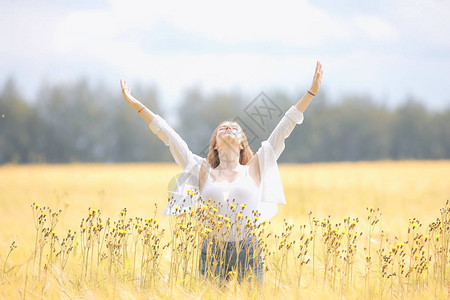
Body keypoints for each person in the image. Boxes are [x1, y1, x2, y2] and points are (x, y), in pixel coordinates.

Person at [120, 61, 323, 286]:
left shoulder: (255, 167)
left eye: (234, 128)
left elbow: (285, 127)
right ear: (215, 145)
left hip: (248, 250)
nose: (228, 128)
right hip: (212, 251)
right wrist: (137, 105)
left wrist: (311, 92)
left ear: (242, 145)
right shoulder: (202, 170)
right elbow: (169, 136)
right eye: (222, 128)